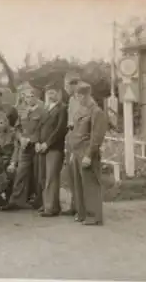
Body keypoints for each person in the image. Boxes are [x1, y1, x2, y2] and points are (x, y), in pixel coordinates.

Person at [69, 82, 107, 226]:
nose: (78, 99)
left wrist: (89, 155)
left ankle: (94, 216)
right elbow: (75, 132)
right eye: (77, 96)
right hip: (77, 151)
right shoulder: (81, 110)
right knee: (79, 184)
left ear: (86, 95)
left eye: (79, 96)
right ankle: (82, 213)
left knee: (90, 184)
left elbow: (97, 136)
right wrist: (73, 152)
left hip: (86, 151)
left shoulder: (96, 112)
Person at [2, 87, 45, 211]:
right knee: (21, 172)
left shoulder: (43, 111)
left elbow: (43, 129)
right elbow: (17, 128)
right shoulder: (23, 112)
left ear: (37, 97)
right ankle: (16, 200)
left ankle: (39, 201)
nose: (29, 99)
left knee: (38, 174)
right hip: (24, 146)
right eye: (26, 97)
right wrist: (21, 138)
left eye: (32, 96)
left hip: (37, 146)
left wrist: (32, 140)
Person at [36, 81, 68, 217]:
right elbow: (38, 127)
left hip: (54, 148)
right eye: (48, 93)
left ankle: (51, 207)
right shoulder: (45, 108)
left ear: (59, 94)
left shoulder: (62, 109)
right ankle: (46, 204)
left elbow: (60, 130)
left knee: (51, 177)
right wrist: (37, 142)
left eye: (53, 93)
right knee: (42, 177)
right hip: (41, 147)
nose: (50, 95)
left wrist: (47, 144)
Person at [60, 73, 81, 216]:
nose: (65, 88)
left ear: (73, 84)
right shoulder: (72, 100)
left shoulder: (81, 99)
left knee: (79, 173)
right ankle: (74, 204)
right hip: (70, 136)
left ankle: (81, 207)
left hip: (79, 138)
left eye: (66, 85)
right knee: (71, 173)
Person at [0, 113, 18, 202]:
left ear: (6, 122)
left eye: (1, 123)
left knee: (12, 172)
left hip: (13, 160)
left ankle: (11, 198)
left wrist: (13, 163)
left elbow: (16, 149)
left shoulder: (14, 133)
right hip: (2, 161)